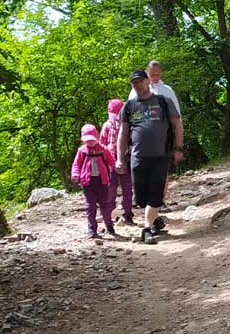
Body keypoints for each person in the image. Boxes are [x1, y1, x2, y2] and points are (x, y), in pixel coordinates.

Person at [118, 69, 183, 245]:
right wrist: (119, 158)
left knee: (155, 192)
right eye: (134, 83)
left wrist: (178, 148)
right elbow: (123, 134)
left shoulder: (163, 101)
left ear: (148, 81)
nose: (137, 84)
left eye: (140, 81)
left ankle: (146, 229)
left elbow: (177, 125)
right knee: (140, 198)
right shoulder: (129, 107)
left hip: (160, 155)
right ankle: (156, 220)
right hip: (137, 157)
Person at [71, 124, 117, 241]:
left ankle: (109, 226)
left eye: (92, 139)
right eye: (87, 140)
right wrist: (75, 175)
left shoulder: (103, 149)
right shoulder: (82, 151)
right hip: (88, 183)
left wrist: (117, 168)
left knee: (105, 205)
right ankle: (92, 230)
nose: (90, 142)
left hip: (102, 181)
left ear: (96, 138)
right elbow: (76, 164)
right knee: (90, 207)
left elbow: (111, 161)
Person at [99, 99, 133, 226]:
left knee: (122, 189)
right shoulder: (111, 125)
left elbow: (102, 143)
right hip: (116, 160)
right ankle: (114, 216)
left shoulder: (122, 124)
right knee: (117, 189)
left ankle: (123, 215)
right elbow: (102, 143)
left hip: (120, 160)